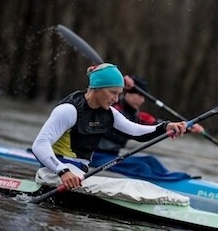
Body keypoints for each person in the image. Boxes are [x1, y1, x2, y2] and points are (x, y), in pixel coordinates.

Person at [32, 63, 187, 189]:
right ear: (97, 88)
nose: (116, 99)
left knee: (138, 186)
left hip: (78, 176)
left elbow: (136, 132)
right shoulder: (68, 110)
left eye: (119, 93)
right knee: (128, 188)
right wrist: (62, 171)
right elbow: (40, 145)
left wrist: (165, 127)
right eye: (113, 92)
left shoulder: (109, 113)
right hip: (55, 174)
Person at [91, 73, 204, 181]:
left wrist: (187, 127)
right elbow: (98, 83)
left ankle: (173, 179)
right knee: (141, 166)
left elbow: (157, 124)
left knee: (151, 161)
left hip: (112, 156)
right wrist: (122, 80)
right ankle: (164, 180)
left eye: (144, 96)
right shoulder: (109, 107)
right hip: (95, 156)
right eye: (139, 95)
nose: (142, 100)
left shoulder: (138, 116)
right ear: (127, 93)